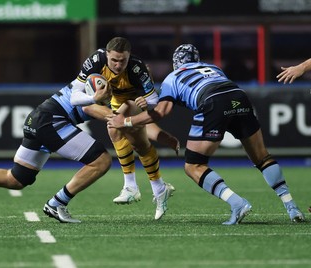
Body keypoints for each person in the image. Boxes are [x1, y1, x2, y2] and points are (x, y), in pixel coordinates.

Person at [107, 44, 306, 224]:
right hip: (239, 96)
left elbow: (161, 112)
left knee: (193, 166)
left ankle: (237, 203)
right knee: (262, 157)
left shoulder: (172, 77)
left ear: (176, 62)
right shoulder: (213, 68)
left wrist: (125, 121)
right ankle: (292, 207)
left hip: (212, 102)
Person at [0, 79, 113, 223]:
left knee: (16, 179)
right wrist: (127, 120)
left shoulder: (96, 77)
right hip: (51, 121)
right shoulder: (96, 84)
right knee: (101, 160)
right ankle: (57, 203)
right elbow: (91, 106)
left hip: (39, 119)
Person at [70, 37, 179, 220]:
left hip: (134, 103)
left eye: (123, 60)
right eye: (114, 60)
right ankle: (158, 188)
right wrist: (94, 97)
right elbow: (74, 98)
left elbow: (153, 101)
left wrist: (147, 102)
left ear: (129, 57)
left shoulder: (137, 68)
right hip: (115, 105)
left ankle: (131, 186)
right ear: (107, 55)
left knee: (120, 120)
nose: (119, 65)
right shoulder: (95, 61)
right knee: (138, 144)